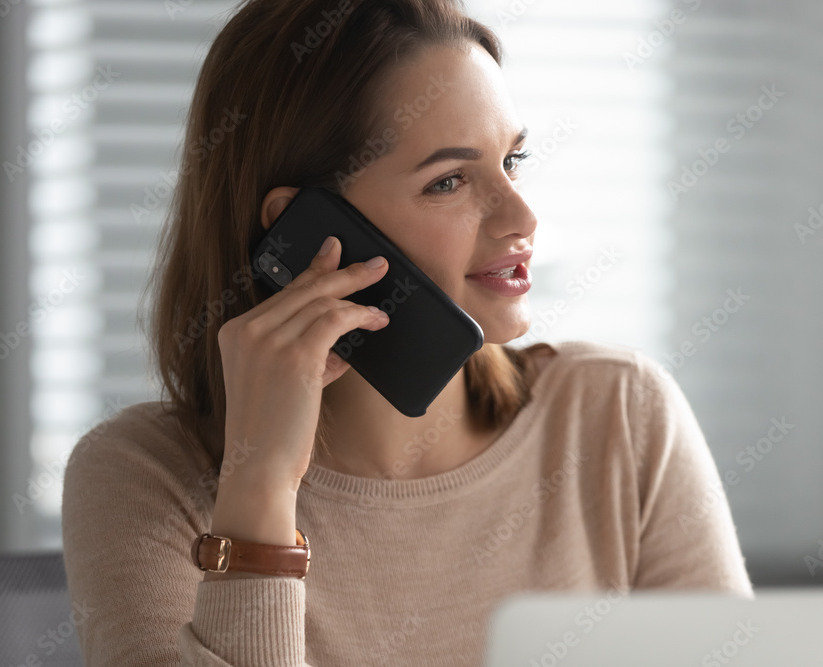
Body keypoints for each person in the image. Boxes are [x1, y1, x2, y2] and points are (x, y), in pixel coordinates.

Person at [61, 0, 753, 665]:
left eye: (512, 161)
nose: (521, 217)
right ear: (304, 234)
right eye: (450, 181)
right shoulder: (140, 475)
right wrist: (260, 483)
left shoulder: (618, 414)